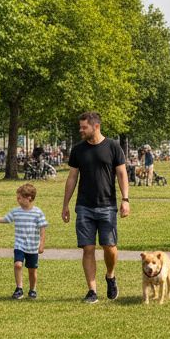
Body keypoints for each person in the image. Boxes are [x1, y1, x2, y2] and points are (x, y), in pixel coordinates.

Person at [62, 111, 129, 304]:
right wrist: (65, 204)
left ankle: (110, 275)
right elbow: (72, 177)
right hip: (84, 206)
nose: (81, 130)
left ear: (96, 126)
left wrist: (125, 199)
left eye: (84, 127)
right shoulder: (78, 150)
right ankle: (92, 291)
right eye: (80, 127)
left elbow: (122, 174)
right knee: (88, 249)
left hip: (107, 205)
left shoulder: (113, 147)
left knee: (110, 247)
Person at [0, 182, 48, 300]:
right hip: (19, 245)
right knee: (18, 264)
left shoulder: (38, 213)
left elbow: (42, 229)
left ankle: (32, 289)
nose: (17, 200)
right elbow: (5, 219)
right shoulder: (16, 211)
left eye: (19, 198)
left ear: (29, 198)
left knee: (32, 271)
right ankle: (19, 288)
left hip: (32, 247)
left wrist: (42, 244)